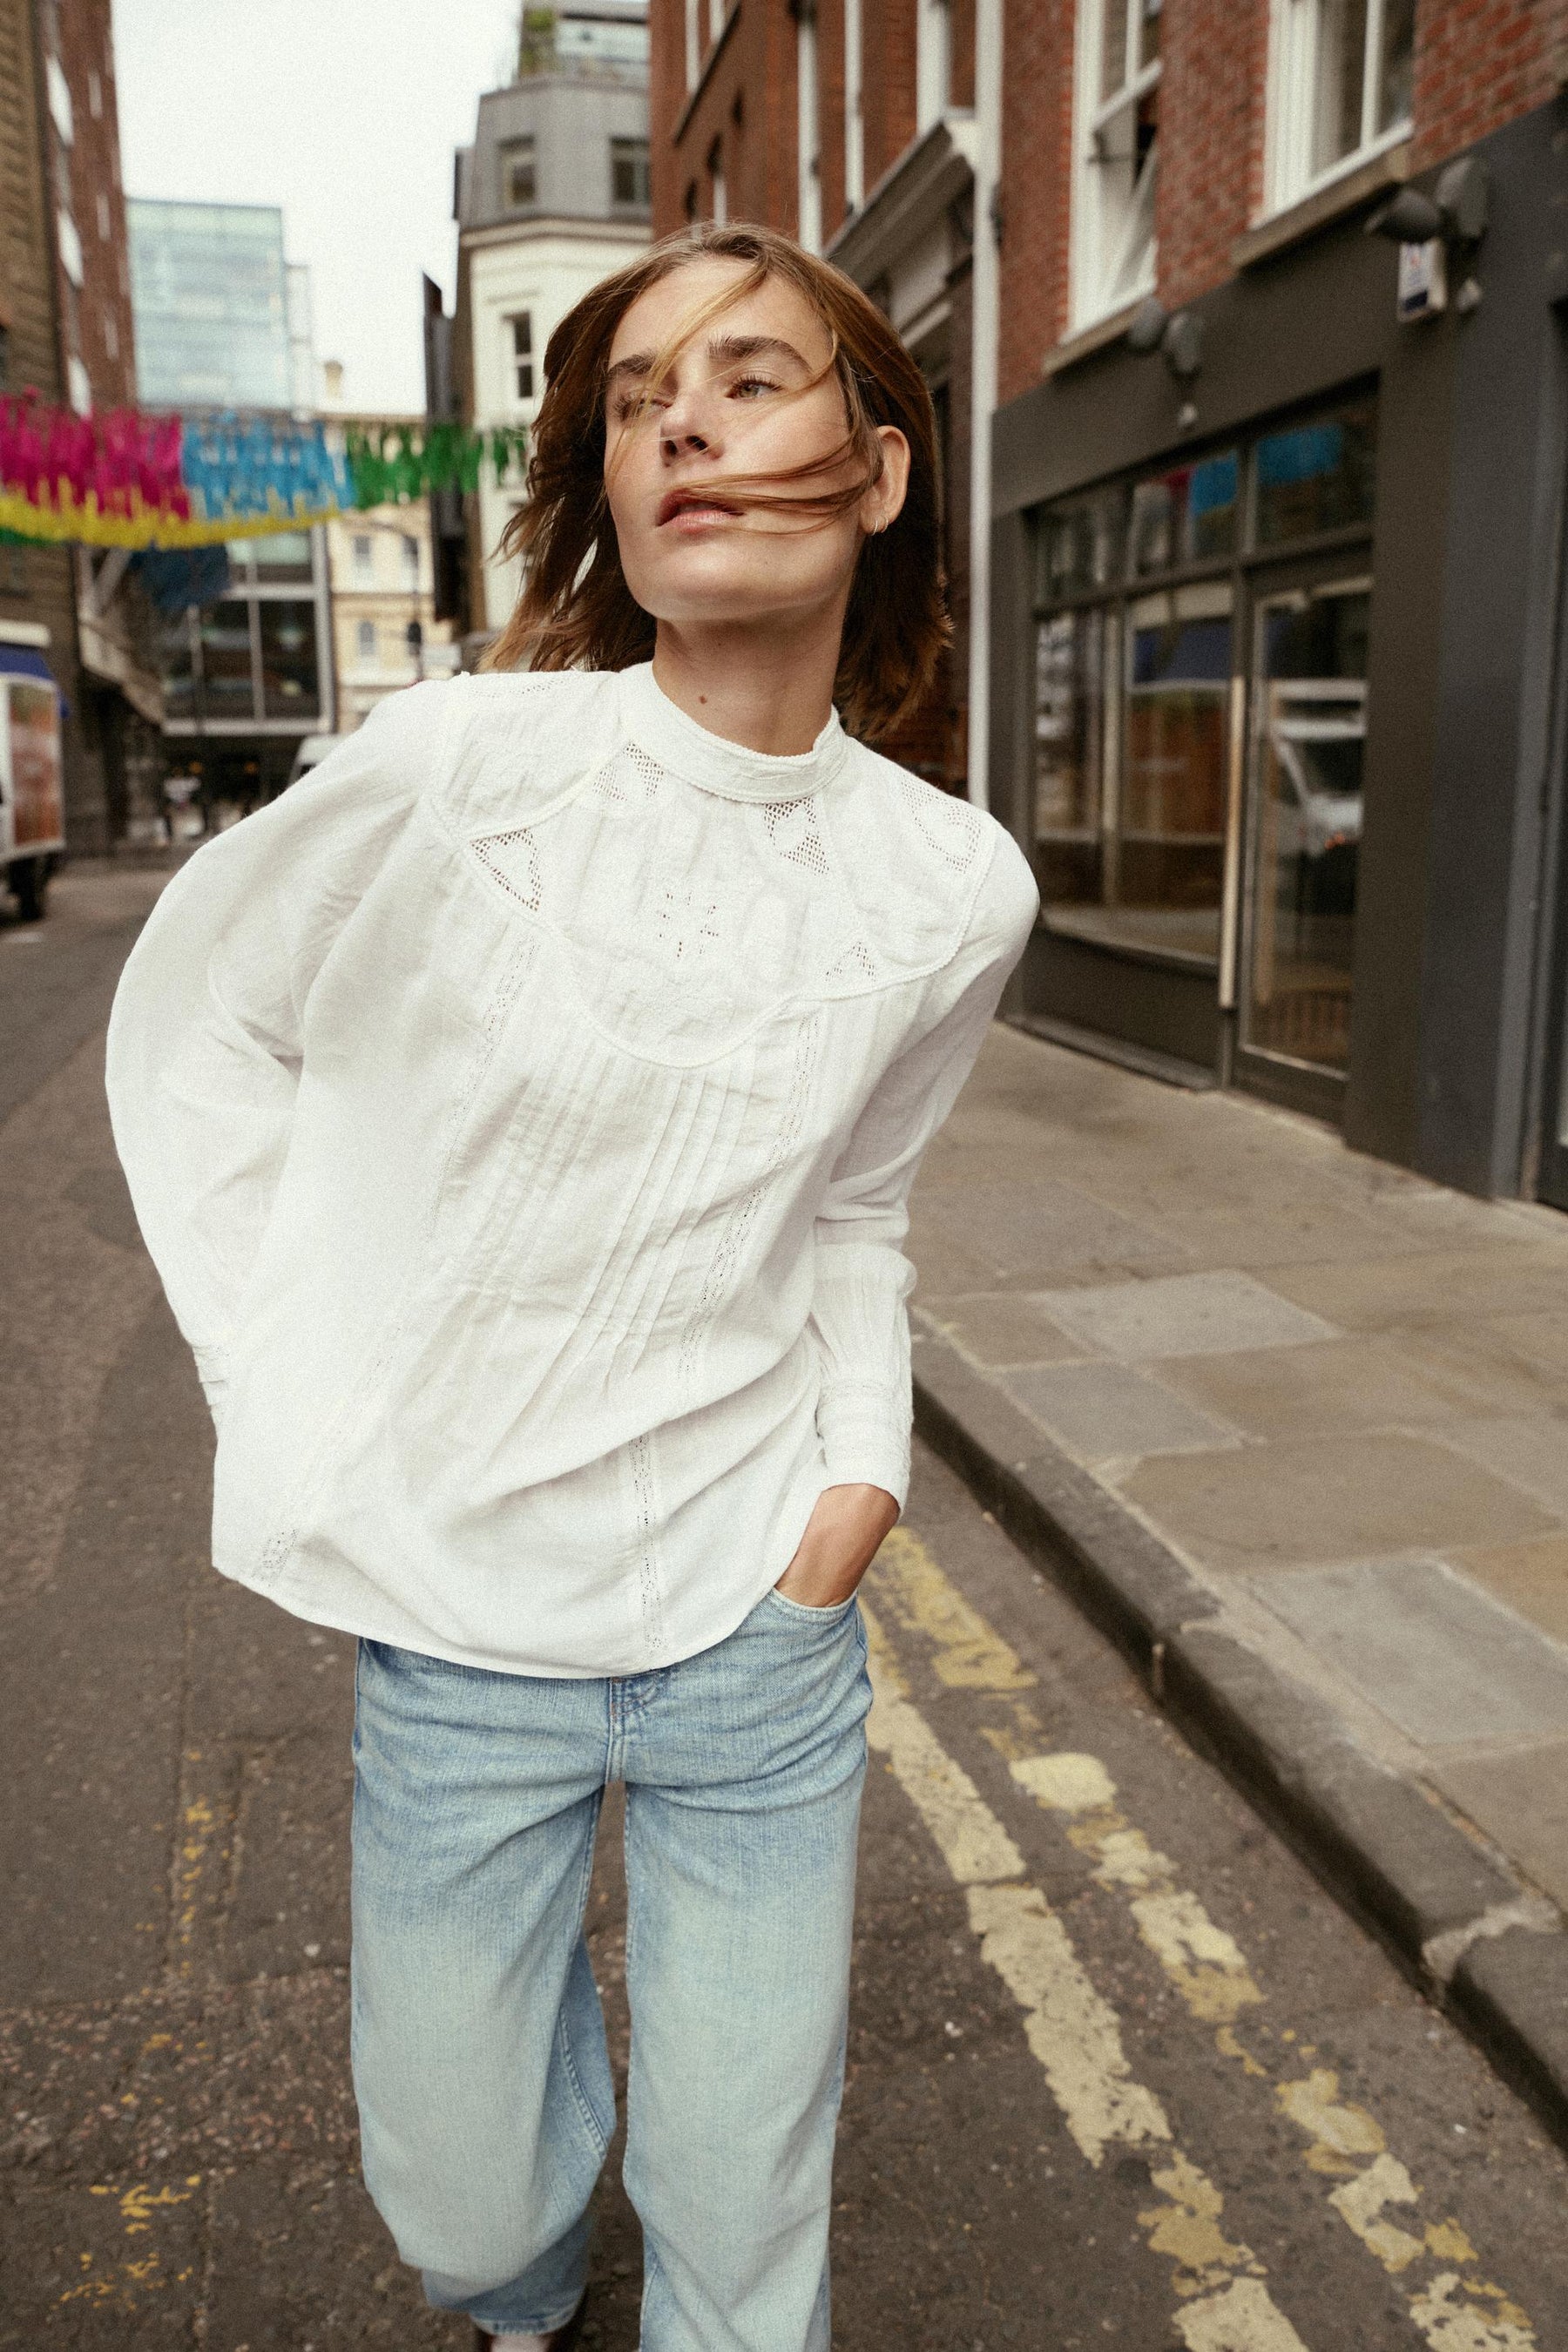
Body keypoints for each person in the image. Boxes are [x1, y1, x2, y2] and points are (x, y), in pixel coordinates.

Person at [105, 222, 1037, 2351]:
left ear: (876, 469)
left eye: (749, 377)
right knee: (451, 2186)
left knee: (746, 2177)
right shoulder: (463, 773)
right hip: (460, 1631)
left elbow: (858, 1206)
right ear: (608, 489)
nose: (685, 423)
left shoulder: (955, 884)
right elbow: (197, 1037)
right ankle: (521, 2289)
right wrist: (306, 1403)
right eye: (636, 402)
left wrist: (853, 1485)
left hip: (753, 1627)